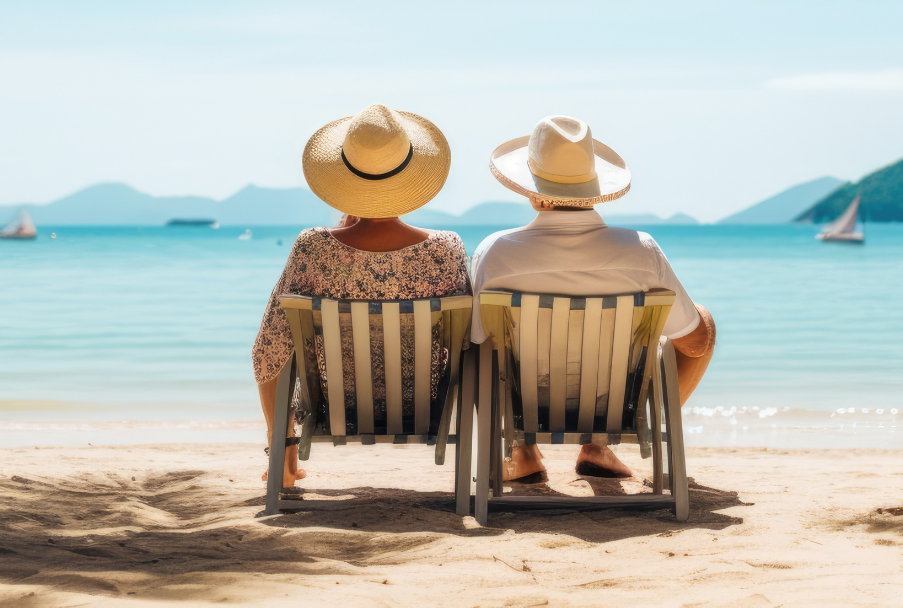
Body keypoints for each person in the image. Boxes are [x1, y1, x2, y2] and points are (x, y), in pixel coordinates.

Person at [470, 115, 716, 483]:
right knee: (701, 323)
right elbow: (693, 344)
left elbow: (474, 343)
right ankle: (599, 445)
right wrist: (702, 321)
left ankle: (520, 451)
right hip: (613, 403)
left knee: (478, 348)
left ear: (531, 188)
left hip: (524, 403)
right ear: (593, 187)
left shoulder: (495, 253)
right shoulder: (641, 250)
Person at [250, 104, 468, 487]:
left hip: (334, 406)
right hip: (422, 406)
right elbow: (469, 339)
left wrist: (278, 439)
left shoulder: (312, 248)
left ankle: (282, 460)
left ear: (344, 176)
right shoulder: (446, 249)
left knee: (276, 343)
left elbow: (268, 349)